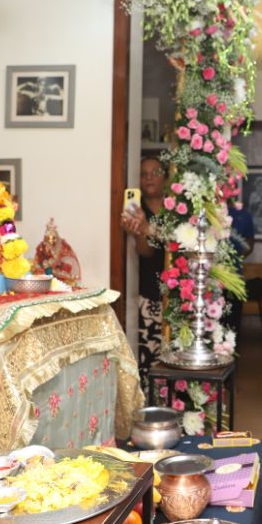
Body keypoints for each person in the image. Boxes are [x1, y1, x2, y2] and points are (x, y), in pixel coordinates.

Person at [120, 156, 166, 386]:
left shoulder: (176, 209)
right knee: (149, 352)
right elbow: (145, 252)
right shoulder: (137, 210)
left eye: (154, 173)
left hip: (176, 290)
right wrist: (139, 231)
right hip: (147, 290)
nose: (149, 178)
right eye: (143, 174)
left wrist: (149, 228)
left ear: (165, 177)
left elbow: (178, 242)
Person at [225, 200, 255, 337]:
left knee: (232, 325)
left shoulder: (244, 214)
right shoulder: (209, 211)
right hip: (210, 276)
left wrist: (235, 258)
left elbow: (250, 243)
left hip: (234, 276)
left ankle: (231, 348)